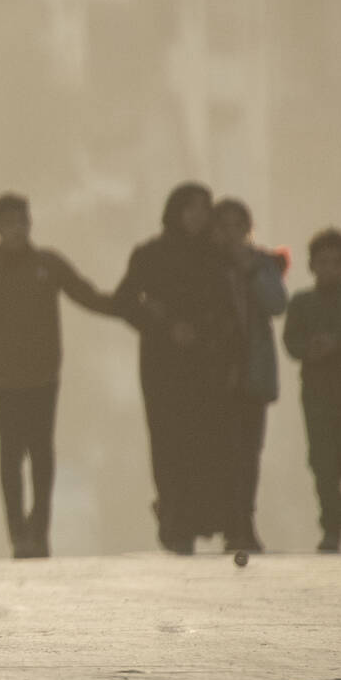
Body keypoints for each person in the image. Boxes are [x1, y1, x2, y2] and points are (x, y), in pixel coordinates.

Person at [0, 193, 113, 558]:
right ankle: (18, 533)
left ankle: (39, 530)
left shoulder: (48, 264)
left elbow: (86, 295)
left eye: (21, 222)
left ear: (29, 224)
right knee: (11, 452)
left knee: (41, 451)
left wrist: (127, 307)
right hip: (4, 378)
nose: (16, 230)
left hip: (44, 376)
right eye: (8, 223)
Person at [110, 184, 247, 553]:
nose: (198, 216)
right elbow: (124, 301)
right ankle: (175, 521)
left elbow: (231, 310)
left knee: (211, 444)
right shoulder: (151, 255)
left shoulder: (216, 257)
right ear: (175, 212)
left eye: (204, 208)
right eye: (190, 208)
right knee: (169, 444)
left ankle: (215, 521)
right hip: (163, 366)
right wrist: (164, 325)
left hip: (209, 364)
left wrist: (223, 349)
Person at [283, 229, 341, 551]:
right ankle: (331, 527)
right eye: (323, 262)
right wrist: (311, 348)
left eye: (336, 262)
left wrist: (337, 343)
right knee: (324, 465)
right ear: (312, 265)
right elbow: (291, 342)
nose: (329, 269)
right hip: (317, 398)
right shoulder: (302, 303)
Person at [209, 198, 286, 554]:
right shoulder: (207, 265)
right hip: (217, 374)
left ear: (247, 229)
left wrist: (252, 271)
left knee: (250, 451)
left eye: (237, 226)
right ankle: (230, 523)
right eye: (223, 226)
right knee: (224, 451)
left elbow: (277, 304)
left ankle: (245, 522)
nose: (230, 233)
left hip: (253, 373)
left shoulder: (262, 264)